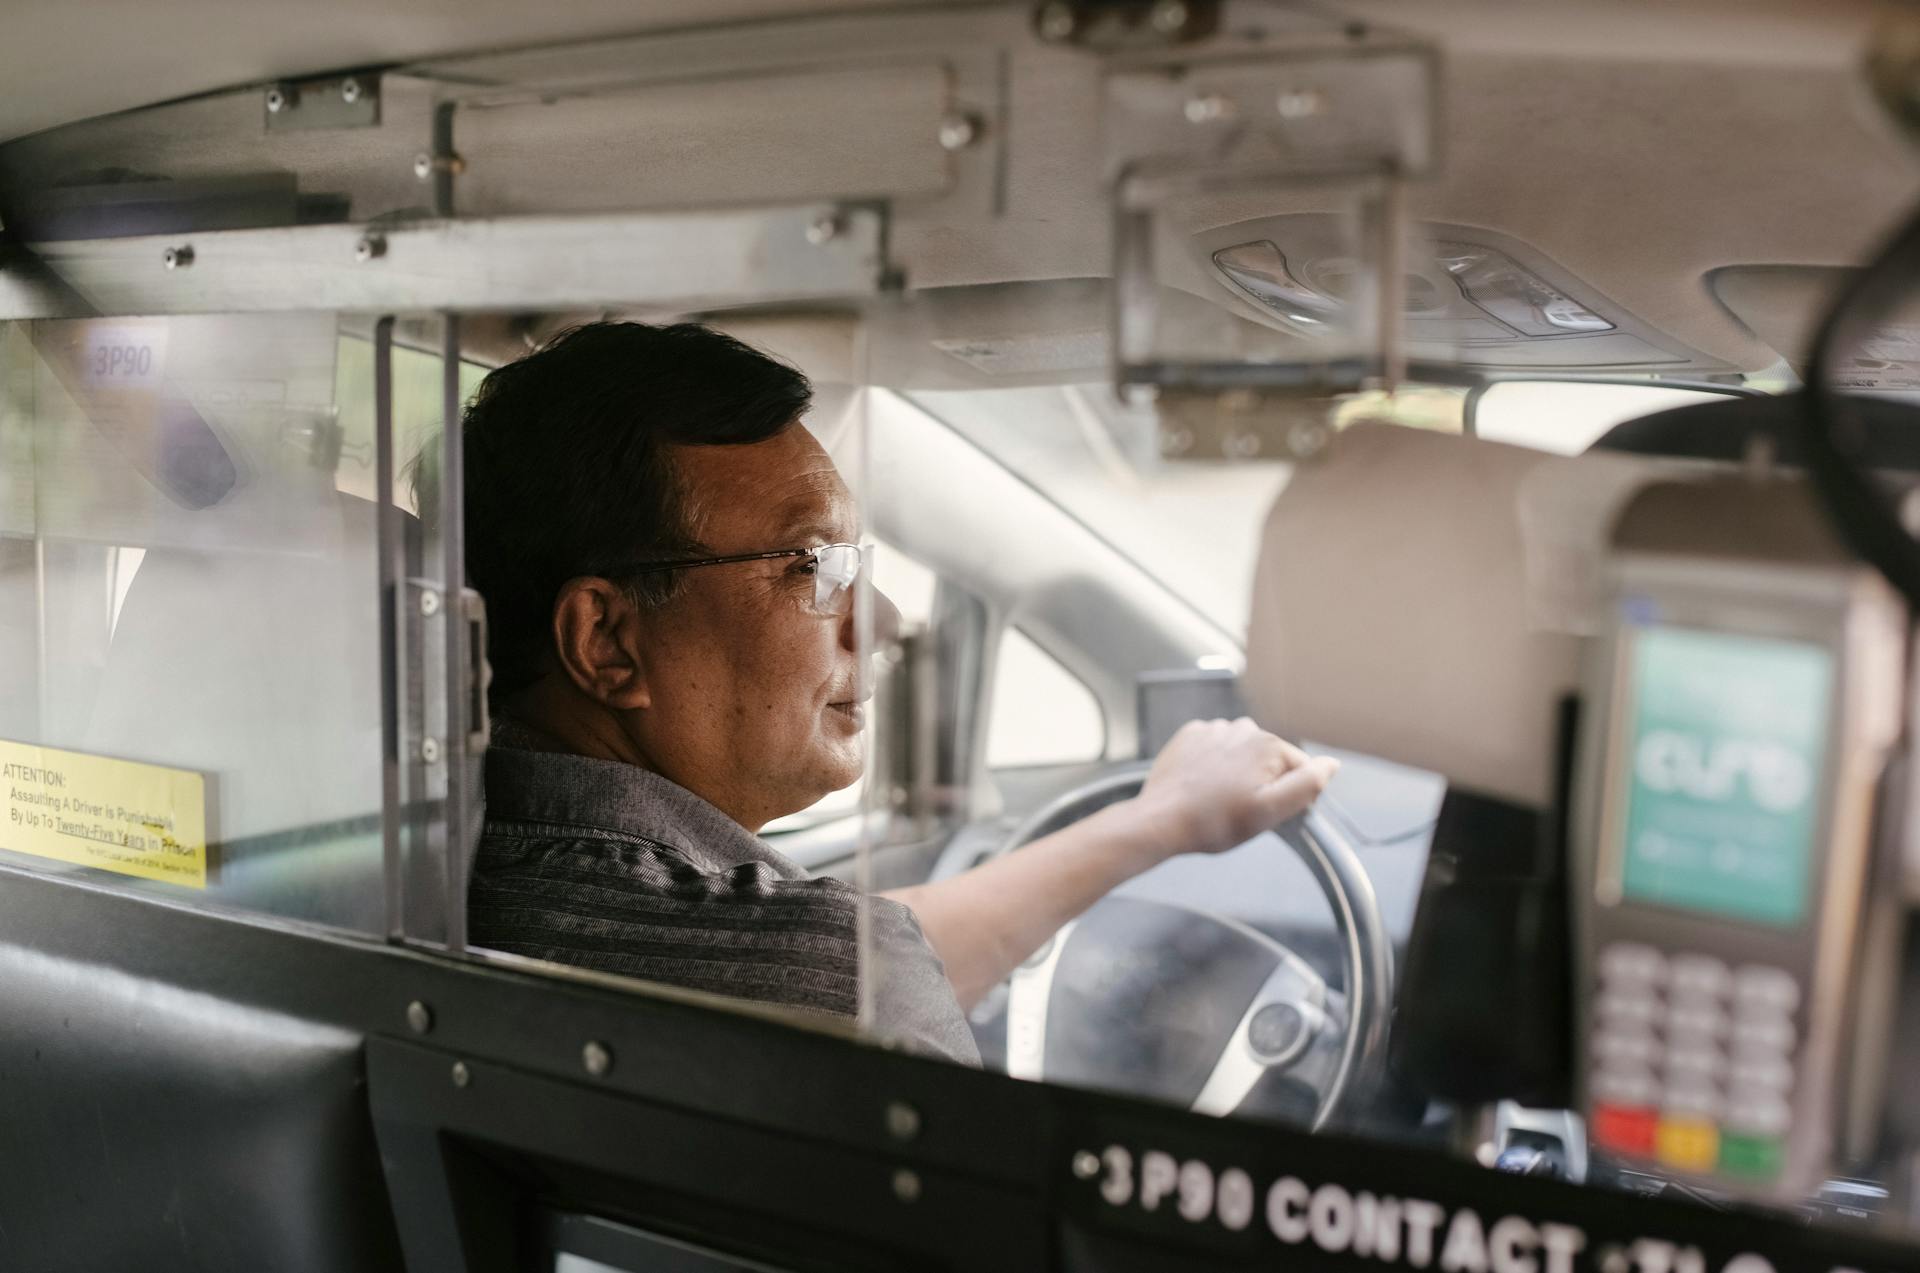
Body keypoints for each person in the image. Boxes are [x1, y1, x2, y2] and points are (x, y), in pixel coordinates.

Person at [456, 321, 1338, 1064]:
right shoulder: (820, 973)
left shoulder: (453, 867)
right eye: (812, 564)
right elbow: (848, 970)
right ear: (606, 641)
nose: (875, 619)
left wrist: (1155, 823)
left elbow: (857, 958)